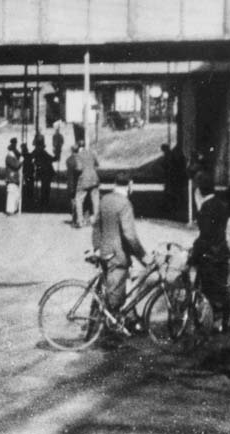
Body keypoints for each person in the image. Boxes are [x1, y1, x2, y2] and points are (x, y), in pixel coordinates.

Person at [92, 170, 146, 335]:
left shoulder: (105, 199)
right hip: (117, 256)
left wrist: (96, 248)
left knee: (114, 290)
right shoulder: (124, 203)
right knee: (115, 298)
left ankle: (128, 320)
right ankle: (109, 332)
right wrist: (143, 256)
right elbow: (129, 235)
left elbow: (96, 226)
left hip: (104, 253)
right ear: (130, 185)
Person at [188, 171, 230, 333]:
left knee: (210, 289)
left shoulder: (205, 209)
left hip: (209, 256)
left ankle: (215, 323)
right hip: (222, 252)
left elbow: (205, 236)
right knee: (221, 286)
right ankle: (223, 322)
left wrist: (193, 255)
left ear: (199, 191)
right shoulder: (222, 204)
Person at [73, 141, 100, 228]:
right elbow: (97, 164)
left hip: (84, 180)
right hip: (94, 179)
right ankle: (96, 220)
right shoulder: (92, 153)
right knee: (95, 200)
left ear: (78, 147)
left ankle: (80, 221)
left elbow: (79, 168)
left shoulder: (78, 155)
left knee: (78, 200)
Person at [33, 139, 55, 209]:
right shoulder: (41, 152)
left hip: (45, 172)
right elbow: (52, 159)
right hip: (46, 172)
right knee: (46, 187)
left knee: (45, 187)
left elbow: (51, 159)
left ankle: (44, 201)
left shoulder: (40, 152)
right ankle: (44, 201)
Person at [4, 138, 22, 216]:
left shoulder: (13, 156)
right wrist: (21, 161)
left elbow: (19, 155)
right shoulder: (9, 157)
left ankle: (14, 209)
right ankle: (10, 210)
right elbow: (16, 165)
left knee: (16, 194)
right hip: (11, 177)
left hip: (14, 177)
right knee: (11, 193)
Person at [64, 145, 81, 224]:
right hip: (78, 181)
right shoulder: (80, 159)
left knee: (72, 199)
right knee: (79, 199)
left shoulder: (68, 160)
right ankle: (77, 216)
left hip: (71, 181)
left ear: (71, 150)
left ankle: (74, 215)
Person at [20, 142, 35, 209]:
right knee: (29, 187)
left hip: (27, 173)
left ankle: (28, 199)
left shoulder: (23, 155)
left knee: (28, 186)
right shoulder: (27, 155)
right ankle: (29, 199)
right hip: (29, 173)